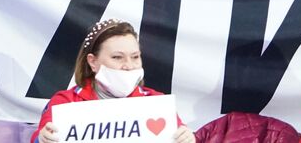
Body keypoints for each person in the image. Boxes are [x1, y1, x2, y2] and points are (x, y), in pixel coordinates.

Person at [35, 20, 194, 143]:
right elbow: (39, 138)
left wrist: (187, 138)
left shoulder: (157, 104)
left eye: (135, 57)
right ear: (93, 62)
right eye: (117, 57)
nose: (129, 66)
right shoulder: (65, 103)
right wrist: (41, 139)